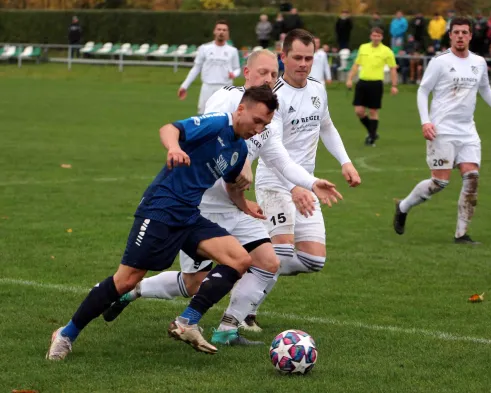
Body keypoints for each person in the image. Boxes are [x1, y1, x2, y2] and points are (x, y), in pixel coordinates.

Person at [101, 50, 343, 344]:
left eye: (273, 74)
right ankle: (133, 290)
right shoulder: (226, 98)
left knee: (268, 261)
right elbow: (211, 137)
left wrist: (312, 181)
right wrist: (241, 164)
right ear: (247, 72)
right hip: (201, 207)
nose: (269, 79)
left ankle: (227, 329)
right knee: (194, 284)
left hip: (235, 205)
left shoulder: (269, 115)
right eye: (263, 72)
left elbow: (280, 159)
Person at [46, 85, 280, 360]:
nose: (259, 128)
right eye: (257, 120)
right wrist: (173, 148)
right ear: (241, 109)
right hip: (161, 208)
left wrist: (246, 205)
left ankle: (186, 322)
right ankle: (66, 333)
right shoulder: (217, 122)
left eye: (265, 124)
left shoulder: (239, 149)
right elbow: (169, 128)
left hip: (189, 216)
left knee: (239, 260)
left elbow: (232, 187)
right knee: (126, 280)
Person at [248, 29, 362, 324]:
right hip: (275, 183)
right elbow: (270, 153)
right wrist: (294, 186)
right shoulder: (273, 99)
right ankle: (245, 311)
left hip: (306, 183)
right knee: (282, 253)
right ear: (283, 57)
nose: (303, 64)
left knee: (313, 260)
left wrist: (345, 162)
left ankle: (249, 266)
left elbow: (327, 126)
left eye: (309, 58)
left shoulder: (317, 89)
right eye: (297, 57)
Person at [393, 17, 491, 244]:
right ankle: (403, 206)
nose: (460, 36)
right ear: (450, 35)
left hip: (467, 130)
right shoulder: (440, 61)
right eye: (456, 32)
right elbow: (423, 91)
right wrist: (425, 122)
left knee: (472, 178)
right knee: (439, 183)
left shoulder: (479, 62)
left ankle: (462, 235)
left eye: (465, 32)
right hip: (442, 130)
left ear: (470, 36)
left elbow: (486, 89)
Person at [346, 27, 398, 146]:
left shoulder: (387, 51)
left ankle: (371, 138)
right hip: (362, 82)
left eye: (378, 36)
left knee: (373, 111)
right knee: (359, 111)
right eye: (374, 35)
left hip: (376, 84)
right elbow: (356, 65)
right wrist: (349, 78)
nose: (376, 38)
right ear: (371, 36)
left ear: (382, 37)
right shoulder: (363, 47)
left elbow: (393, 69)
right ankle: (373, 132)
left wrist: (394, 85)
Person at [178, 20, 241, 114]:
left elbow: (237, 68)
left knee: (224, 117)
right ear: (214, 31)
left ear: (227, 33)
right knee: (203, 115)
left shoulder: (232, 50)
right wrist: (184, 86)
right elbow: (196, 68)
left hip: (225, 88)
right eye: (219, 29)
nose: (221, 32)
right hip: (208, 86)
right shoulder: (205, 48)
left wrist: (234, 74)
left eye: (224, 30)